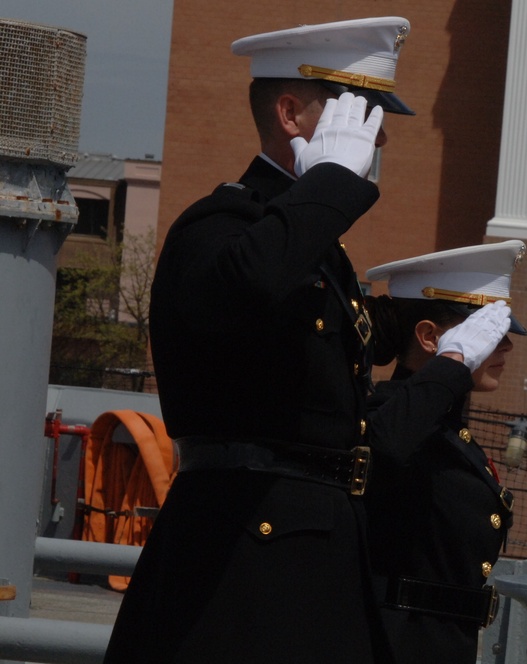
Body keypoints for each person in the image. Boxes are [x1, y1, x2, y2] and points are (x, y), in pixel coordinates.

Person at [103, 17, 429, 663]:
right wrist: (332, 184)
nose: (380, 134)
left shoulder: (309, 248)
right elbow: (246, 287)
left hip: (316, 551)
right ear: (289, 113)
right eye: (358, 111)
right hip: (243, 559)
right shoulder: (220, 224)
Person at [362, 240, 527, 664]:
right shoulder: (391, 420)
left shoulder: (450, 433)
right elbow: (387, 446)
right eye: (487, 333)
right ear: (430, 337)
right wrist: (454, 363)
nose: (505, 346)